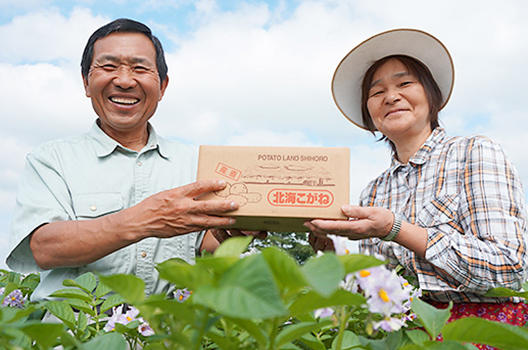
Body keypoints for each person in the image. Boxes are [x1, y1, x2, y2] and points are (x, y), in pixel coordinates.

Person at [6, 18, 263, 301]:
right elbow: (45, 248)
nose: (125, 80)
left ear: (162, 86)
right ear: (86, 82)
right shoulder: (51, 159)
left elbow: (207, 244)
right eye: (108, 66)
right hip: (75, 336)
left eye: (140, 68)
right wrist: (147, 219)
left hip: (170, 335)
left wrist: (235, 231)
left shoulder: (195, 163)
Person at [305, 28, 528, 333]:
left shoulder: (473, 152)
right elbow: (377, 294)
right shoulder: (373, 191)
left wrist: (396, 229)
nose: (391, 96)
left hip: (480, 330)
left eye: (405, 83)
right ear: (368, 113)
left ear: (431, 95)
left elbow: (508, 268)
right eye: (376, 92)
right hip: (403, 335)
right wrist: (331, 253)